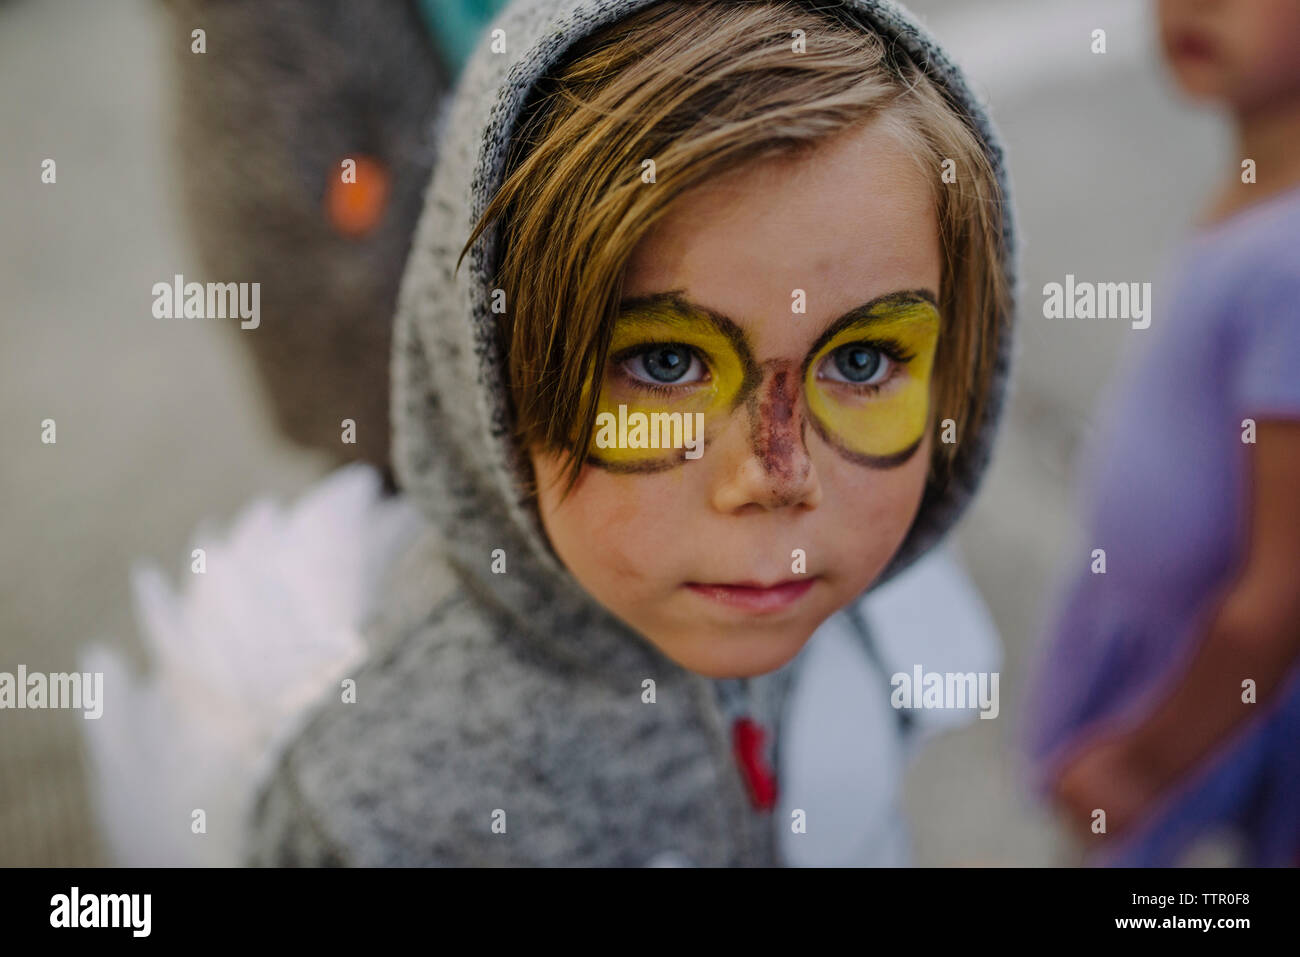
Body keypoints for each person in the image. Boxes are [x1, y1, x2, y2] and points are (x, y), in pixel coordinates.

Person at [87, 0, 1018, 867]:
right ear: (483, 369)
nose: (779, 475)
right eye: (663, 363)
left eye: (860, 362)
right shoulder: (383, 811)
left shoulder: (855, 613)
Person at [1023, 0, 1300, 866]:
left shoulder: (1291, 261)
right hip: (1165, 647)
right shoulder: (1258, 186)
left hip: (1201, 682)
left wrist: (1144, 764)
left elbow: (1277, 593)